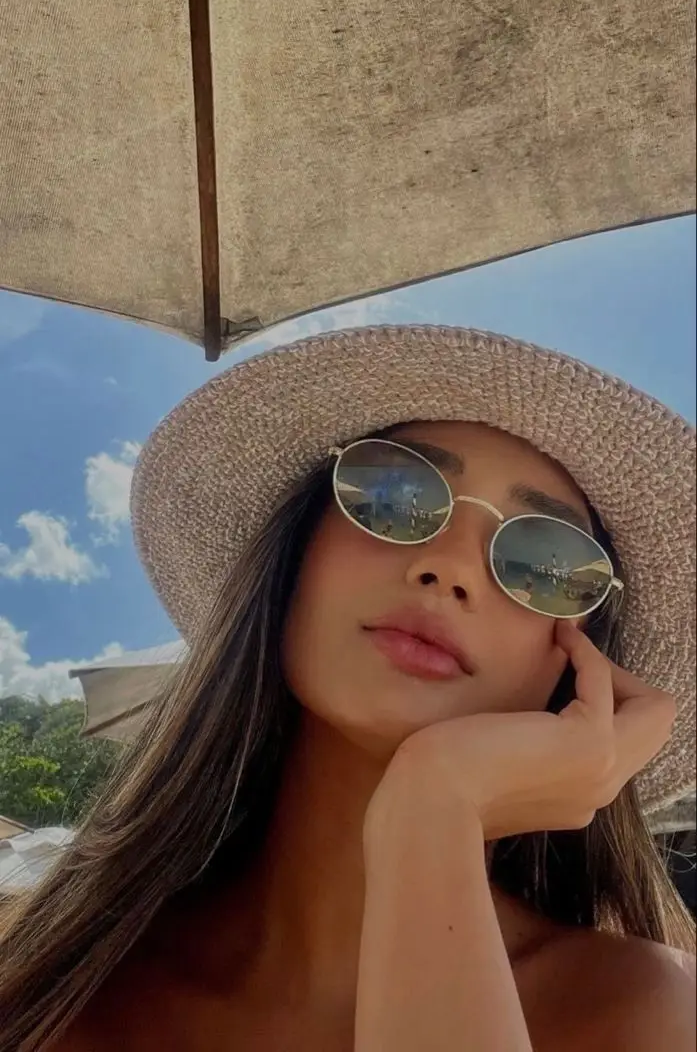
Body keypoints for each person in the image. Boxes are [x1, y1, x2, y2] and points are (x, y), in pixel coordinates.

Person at [0, 324, 695, 1051]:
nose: (451, 566)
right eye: (391, 494)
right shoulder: (48, 982)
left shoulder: (650, 1013)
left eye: (547, 563)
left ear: (577, 658)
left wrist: (434, 808)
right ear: (298, 551)